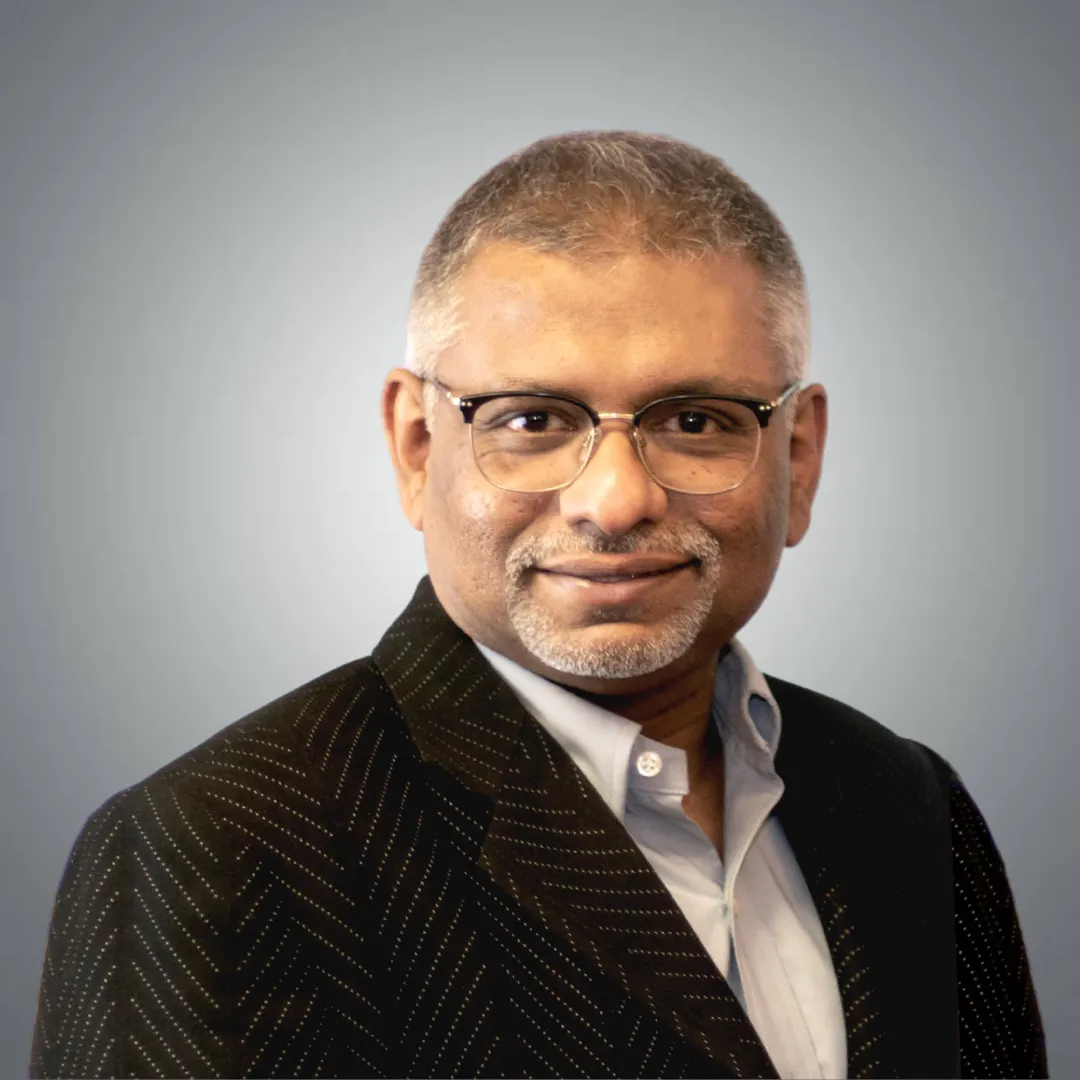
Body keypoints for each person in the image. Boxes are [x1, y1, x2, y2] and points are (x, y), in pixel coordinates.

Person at [30, 131, 1047, 1080]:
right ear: (416, 449)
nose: (616, 500)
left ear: (801, 456)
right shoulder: (216, 845)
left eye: (697, 421)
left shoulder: (908, 804)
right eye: (532, 420)